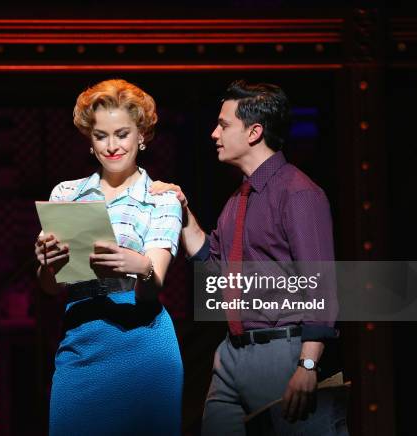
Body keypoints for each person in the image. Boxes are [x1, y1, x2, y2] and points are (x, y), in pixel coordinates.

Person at [150, 80, 347, 435]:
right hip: (233, 353)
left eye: (224, 125)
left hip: (281, 349)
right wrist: (181, 210)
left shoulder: (299, 193)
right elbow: (213, 264)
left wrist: (307, 363)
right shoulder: (238, 200)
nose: (214, 133)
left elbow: (320, 284)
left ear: (254, 132)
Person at [35, 79, 183, 436]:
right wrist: (46, 263)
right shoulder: (67, 193)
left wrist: (141, 267)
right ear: (90, 140)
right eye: (101, 136)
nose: (112, 146)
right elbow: (52, 288)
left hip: (143, 340)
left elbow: (153, 285)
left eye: (122, 134)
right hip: (82, 338)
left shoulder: (161, 197)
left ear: (141, 135)